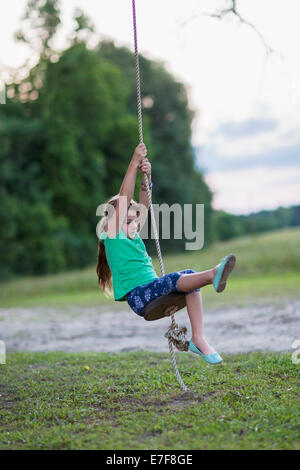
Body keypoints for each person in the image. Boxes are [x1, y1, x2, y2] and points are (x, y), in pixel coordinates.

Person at [96, 143, 236, 364]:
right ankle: (213, 274)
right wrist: (133, 162)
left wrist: (145, 180)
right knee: (176, 279)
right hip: (140, 297)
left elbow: (143, 204)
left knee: (189, 277)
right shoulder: (112, 236)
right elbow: (124, 197)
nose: (134, 226)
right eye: (128, 221)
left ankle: (199, 339)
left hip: (153, 292)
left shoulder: (131, 236)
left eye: (135, 221)